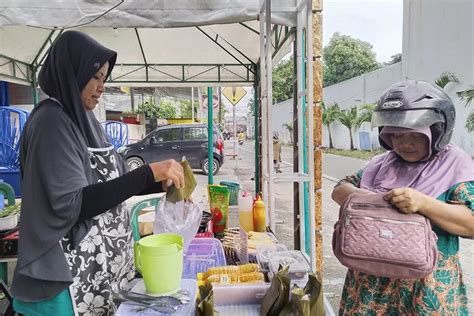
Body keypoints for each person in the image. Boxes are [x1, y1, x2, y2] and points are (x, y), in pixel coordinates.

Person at [11, 31, 185, 315]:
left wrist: (159, 182)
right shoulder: (52, 123)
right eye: (95, 77)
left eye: (104, 78)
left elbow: (112, 182)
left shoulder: (85, 121)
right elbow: (73, 203)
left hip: (91, 275)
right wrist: (146, 173)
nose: (102, 86)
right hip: (60, 284)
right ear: (72, 72)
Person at [332, 80, 474, 315]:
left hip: (425, 288)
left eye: (414, 136)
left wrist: (423, 203)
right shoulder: (381, 164)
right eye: (396, 135)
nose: (404, 143)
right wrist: (372, 199)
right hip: (370, 283)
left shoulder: (456, 166)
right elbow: (339, 190)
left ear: (437, 131)